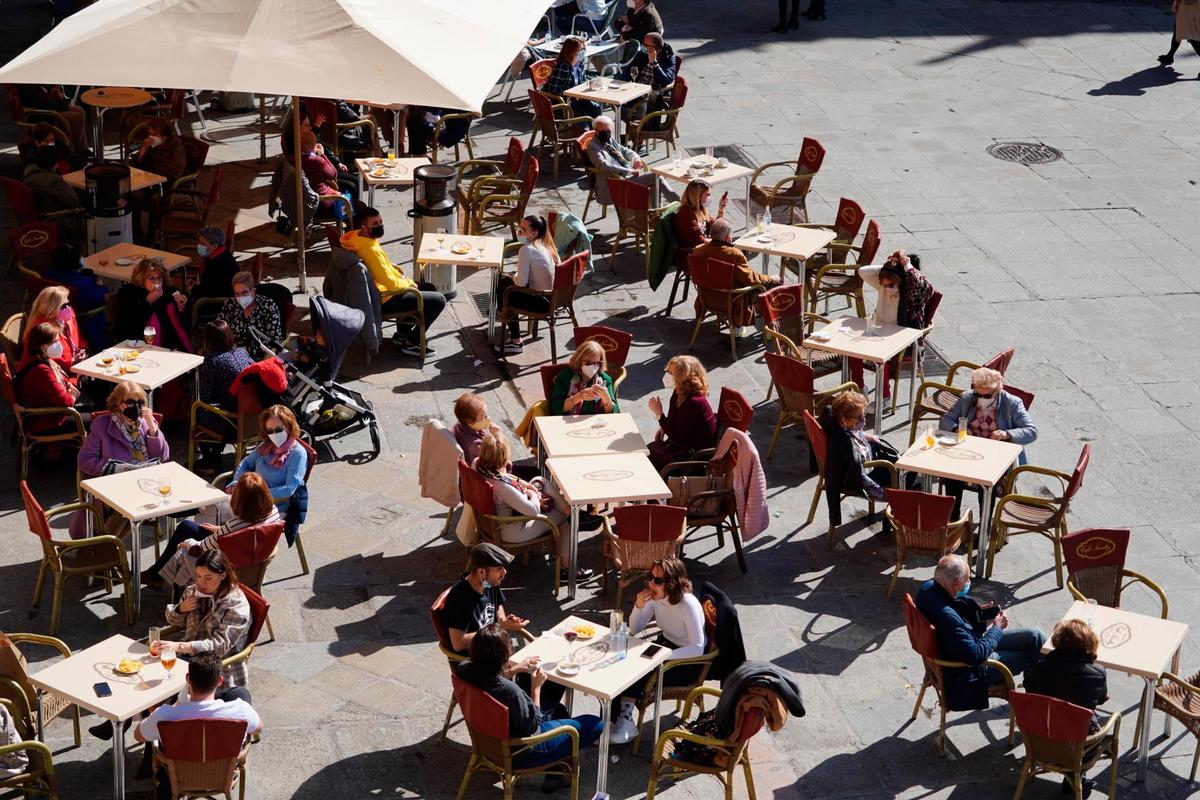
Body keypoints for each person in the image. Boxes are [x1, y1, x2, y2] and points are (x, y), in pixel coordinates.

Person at [456, 622, 604, 793]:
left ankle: (555, 776)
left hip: (487, 742)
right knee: (595, 724)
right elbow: (534, 726)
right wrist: (536, 688)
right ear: (504, 655)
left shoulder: (464, 669)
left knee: (558, 710)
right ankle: (556, 769)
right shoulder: (511, 692)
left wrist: (514, 670)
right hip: (522, 752)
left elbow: (488, 677)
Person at [441, 544, 569, 706]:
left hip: (499, 654)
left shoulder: (490, 583)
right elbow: (458, 643)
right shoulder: (459, 597)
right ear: (481, 571)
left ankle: (537, 709)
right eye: (499, 569)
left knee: (551, 668)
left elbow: (499, 614)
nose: (505, 572)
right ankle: (532, 713)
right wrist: (501, 629)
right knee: (544, 679)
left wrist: (505, 622)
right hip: (480, 664)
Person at [915, 555, 1046, 710]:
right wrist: (997, 627)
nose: (969, 584)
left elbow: (957, 621)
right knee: (1031, 657)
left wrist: (977, 616)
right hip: (966, 668)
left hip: (958, 646)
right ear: (956, 583)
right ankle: (1041, 704)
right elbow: (976, 655)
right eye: (967, 580)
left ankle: (1043, 692)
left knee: (1034, 635)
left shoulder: (928, 588)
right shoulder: (948, 618)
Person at [134, 654, 262, 800]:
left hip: (176, 778)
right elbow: (258, 728)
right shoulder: (240, 710)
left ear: (188, 679)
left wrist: (156, 713)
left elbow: (138, 735)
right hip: (222, 775)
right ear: (219, 681)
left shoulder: (165, 715)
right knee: (241, 692)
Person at [610, 557, 706, 744]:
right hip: (666, 647)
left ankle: (625, 720)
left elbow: (697, 647)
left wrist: (662, 657)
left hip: (687, 661)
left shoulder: (688, 604)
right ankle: (614, 720)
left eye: (658, 581)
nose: (651, 583)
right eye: (650, 577)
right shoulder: (657, 598)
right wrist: (639, 606)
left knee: (637, 670)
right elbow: (636, 629)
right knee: (624, 660)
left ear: (672, 584)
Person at [475, 431, 593, 582]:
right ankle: (568, 569)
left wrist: (524, 484)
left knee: (539, 480)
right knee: (564, 521)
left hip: (500, 521)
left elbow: (506, 477)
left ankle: (570, 511)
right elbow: (533, 510)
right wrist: (534, 495)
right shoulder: (502, 487)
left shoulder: (479, 466)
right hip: (511, 530)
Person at [142, 472, 281, 590]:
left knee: (185, 528)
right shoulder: (274, 512)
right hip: (252, 560)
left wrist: (186, 543)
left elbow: (199, 547)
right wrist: (220, 530)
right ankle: (155, 574)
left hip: (228, 566)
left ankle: (156, 576)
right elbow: (249, 531)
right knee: (192, 527)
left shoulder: (233, 526)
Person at [339, 207, 446, 357]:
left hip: (375, 291)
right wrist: (408, 283)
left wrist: (397, 275)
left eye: (381, 221)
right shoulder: (370, 249)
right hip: (383, 299)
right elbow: (390, 284)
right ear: (363, 227)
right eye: (375, 223)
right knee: (439, 300)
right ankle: (412, 342)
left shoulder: (356, 239)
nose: (380, 225)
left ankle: (402, 334)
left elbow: (381, 269)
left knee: (429, 287)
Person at [71, 381, 168, 538]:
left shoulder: (146, 423)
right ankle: (106, 546)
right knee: (126, 506)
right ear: (117, 403)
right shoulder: (102, 425)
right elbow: (85, 460)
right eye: (129, 402)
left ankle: (104, 547)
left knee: (131, 506)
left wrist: (152, 428)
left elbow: (162, 457)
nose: (135, 407)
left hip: (144, 485)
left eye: (140, 402)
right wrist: (117, 468)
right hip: (112, 488)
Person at [939, 366, 1037, 518]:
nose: (982, 399)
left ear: (997, 390)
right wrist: (956, 428)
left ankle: (986, 523)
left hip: (996, 455)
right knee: (952, 475)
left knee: (987, 482)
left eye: (987, 396)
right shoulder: (967, 398)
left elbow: (1031, 431)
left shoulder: (1012, 403)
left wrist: (1007, 434)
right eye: (979, 394)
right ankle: (953, 522)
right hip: (968, 450)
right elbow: (946, 419)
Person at [850, 250, 935, 394]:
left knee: (880, 358)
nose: (886, 289)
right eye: (884, 285)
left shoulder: (911, 296)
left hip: (903, 341)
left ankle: (885, 396)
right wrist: (891, 265)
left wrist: (906, 266)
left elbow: (923, 287)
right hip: (878, 332)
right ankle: (859, 388)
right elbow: (863, 271)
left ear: (901, 281)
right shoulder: (882, 286)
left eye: (891, 285)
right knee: (851, 352)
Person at [819, 390, 897, 535]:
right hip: (859, 477)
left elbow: (856, 433)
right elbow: (860, 476)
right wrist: (882, 493)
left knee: (904, 468)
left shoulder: (838, 424)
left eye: (864, 415)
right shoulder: (843, 445)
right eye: (859, 417)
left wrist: (869, 437)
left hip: (869, 465)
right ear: (844, 419)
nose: (864, 420)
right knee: (910, 481)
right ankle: (892, 523)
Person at [691, 218, 781, 335]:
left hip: (707, 298)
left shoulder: (698, 250)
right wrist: (770, 278)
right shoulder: (734, 254)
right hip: (730, 301)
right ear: (727, 238)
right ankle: (769, 331)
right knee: (772, 286)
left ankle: (739, 325)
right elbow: (750, 279)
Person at [194, 320, 254, 471]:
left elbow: (206, 397)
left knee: (196, 409)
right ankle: (215, 455)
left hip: (232, 422)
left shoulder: (213, 360)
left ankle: (211, 459)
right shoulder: (243, 352)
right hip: (252, 418)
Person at [496, 215, 559, 355]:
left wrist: (514, 277)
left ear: (534, 233)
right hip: (553, 299)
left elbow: (521, 282)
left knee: (505, 288)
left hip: (540, 302)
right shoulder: (549, 246)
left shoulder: (526, 250)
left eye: (523, 230)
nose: (519, 233)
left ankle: (515, 340)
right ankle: (500, 312)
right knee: (507, 281)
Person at [231, 406, 309, 515]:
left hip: (274, 505)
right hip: (250, 498)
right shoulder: (266, 445)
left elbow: (289, 489)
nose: (274, 434)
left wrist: (256, 494)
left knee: (229, 520)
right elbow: (246, 462)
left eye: (278, 429)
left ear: (289, 426)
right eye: (270, 431)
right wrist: (236, 482)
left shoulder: (297, 454)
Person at [12, 322, 86, 436]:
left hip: (53, 413)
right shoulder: (41, 370)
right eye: (55, 342)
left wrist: (69, 386)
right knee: (98, 421)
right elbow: (65, 402)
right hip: (47, 422)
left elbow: (62, 378)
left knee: (94, 411)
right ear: (42, 345)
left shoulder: (43, 358)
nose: (59, 345)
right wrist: (73, 395)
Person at [647, 355, 717, 470]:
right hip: (681, 445)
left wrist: (659, 415)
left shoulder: (695, 403)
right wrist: (664, 427)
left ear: (681, 377)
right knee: (648, 452)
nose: (667, 375)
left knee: (651, 460)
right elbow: (674, 421)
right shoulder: (678, 393)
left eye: (670, 372)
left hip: (693, 456)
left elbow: (677, 436)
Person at [42, 244, 109, 351]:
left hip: (57, 315)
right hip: (86, 319)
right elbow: (104, 297)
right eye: (79, 256)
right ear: (75, 261)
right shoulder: (84, 283)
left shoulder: (48, 275)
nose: (82, 258)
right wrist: (101, 285)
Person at [129, 118, 187, 240]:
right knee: (132, 194)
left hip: (167, 184)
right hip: (149, 182)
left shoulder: (175, 144)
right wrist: (143, 149)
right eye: (149, 134)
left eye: (154, 134)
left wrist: (155, 175)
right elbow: (134, 165)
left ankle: (153, 234)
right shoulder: (151, 145)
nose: (151, 137)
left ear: (164, 134)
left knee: (155, 200)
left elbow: (176, 169)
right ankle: (136, 232)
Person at [114, 258, 190, 351]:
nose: (157, 282)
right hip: (140, 344)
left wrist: (181, 308)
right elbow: (129, 326)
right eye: (152, 278)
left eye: (159, 278)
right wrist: (148, 302)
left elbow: (182, 325)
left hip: (171, 344)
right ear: (141, 279)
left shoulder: (169, 292)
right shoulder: (129, 294)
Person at [585, 115, 652, 206]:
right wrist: (630, 171)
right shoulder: (593, 147)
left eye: (608, 131)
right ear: (596, 131)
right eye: (603, 131)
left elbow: (624, 150)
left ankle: (654, 213)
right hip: (618, 180)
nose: (606, 133)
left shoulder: (610, 139)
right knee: (655, 179)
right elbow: (603, 165)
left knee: (655, 182)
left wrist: (636, 158)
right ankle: (665, 212)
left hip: (628, 174)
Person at [23, 284, 85, 377]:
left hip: (75, 366)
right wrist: (71, 361)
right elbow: (45, 359)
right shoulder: (42, 329)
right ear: (50, 309)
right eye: (63, 306)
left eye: (68, 304)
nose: (69, 309)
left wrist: (84, 349)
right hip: (53, 374)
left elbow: (78, 336)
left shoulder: (67, 317)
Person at [218, 271, 283, 359]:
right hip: (233, 356)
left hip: (261, 357)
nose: (240, 297)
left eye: (244, 292)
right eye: (237, 294)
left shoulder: (268, 306)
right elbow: (219, 331)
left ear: (253, 291)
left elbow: (275, 341)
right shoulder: (230, 305)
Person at [549, 340, 619, 415]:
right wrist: (578, 397)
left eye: (597, 363)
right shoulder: (565, 377)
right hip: (569, 422)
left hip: (596, 423)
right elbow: (555, 408)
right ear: (579, 360)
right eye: (588, 362)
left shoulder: (605, 380)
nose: (593, 367)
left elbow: (613, 412)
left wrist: (607, 401)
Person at [298, 128, 358, 210]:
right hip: (324, 202)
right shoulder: (316, 160)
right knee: (357, 202)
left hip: (307, 201)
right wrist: (322, 155)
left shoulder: (295, 159)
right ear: (313, 145)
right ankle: (353, 215)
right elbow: (333, 174)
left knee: (354, 182)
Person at [17, 85, 87, 151]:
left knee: (80, 110)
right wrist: (59, 99)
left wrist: (51, 90)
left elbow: (43, 94)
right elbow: (42, 104)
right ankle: (78, 150)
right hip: (42, 115)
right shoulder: (25, 86)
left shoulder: (32, 82)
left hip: (48, 108)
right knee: (78, 117)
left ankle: (82, 149)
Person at [543, 38, 600, 118]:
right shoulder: (563, 66)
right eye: (580, 50)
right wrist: (573, 95)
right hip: (564, 102)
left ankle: (596, 130)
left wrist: (589, 84)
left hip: (577, 99)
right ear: (571, 51)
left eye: (583, 49)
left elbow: (582, 81)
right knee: (582, 114)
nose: (582, 52)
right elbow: (554, 91)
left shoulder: (579, 63)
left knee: (596, 108)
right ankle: (579, 130)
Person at [22, 145, 80, 218]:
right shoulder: (54, 181)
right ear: (55, 164)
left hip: (39, 212)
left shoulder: (29, 173)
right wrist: (66, 184)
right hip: (56, 216)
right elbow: (73, 202)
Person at [189, 225, 240, 307]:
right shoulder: (217, 255)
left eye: (202, 243)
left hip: (215, 304)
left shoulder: (220, 264)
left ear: (215, 246)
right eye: (199, 242)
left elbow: (211, 293)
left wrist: (193, 289)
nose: (198, 245)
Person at [673, 179, 728, 250]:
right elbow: (698, 240)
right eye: (707, 195)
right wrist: (721, 243)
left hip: (705, 246)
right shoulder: (686, 213)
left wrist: (721, 209)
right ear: (698, 196)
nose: (709, 198)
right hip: (693, 253)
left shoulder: (701, 208)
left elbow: (715, 227)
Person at [1159, 0, 1200, 65]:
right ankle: (1170, 55)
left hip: (1188, 5)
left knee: (1192, 35)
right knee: (1179, 28)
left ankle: (1170, 55)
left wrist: (1176, 2)